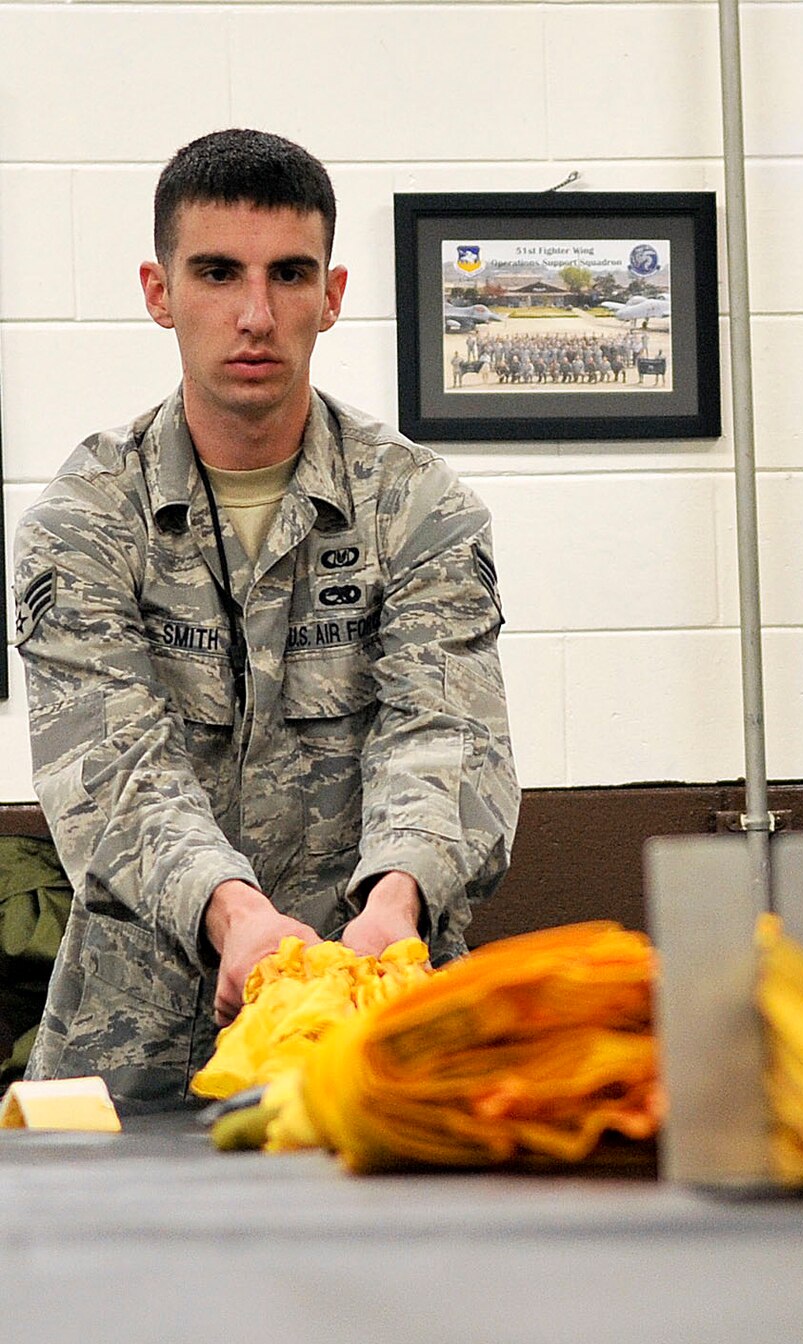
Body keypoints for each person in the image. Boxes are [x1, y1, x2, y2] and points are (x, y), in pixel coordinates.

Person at [11, 129, 519, 1105]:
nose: (255, 314)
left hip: (381, 1025)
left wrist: (397, 899)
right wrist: (234, 914)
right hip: (138, 1051)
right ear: (160, 292)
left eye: (289, 275)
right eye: (216, 272)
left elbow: (447, 735)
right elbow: (112, 770)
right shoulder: (85, 519)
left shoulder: (417, 507)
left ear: (330, 296)